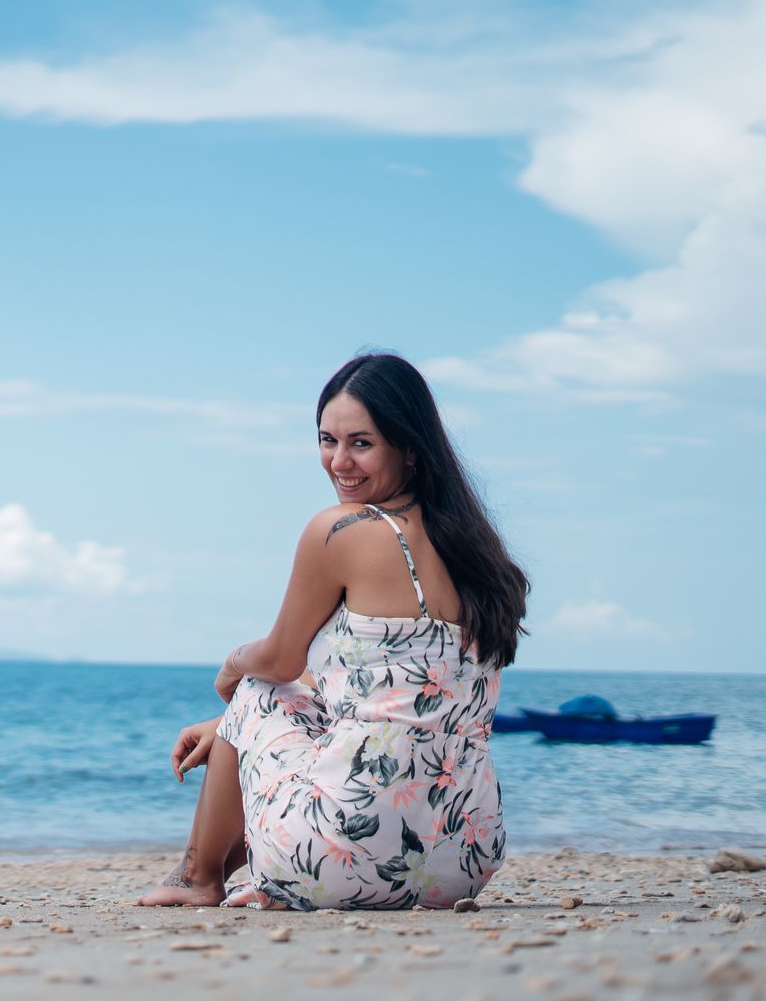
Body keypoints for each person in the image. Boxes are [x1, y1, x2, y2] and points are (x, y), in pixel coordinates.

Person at [139, 353, 530, 911]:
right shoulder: (478, 557)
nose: (339, 462)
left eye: (361, 443)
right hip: (461, 863)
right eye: (328, 440)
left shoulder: (343, 530)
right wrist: (225, 725)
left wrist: (232, 667)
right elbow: (376, 689)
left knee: (254, 688)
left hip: (347, 857)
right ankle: (239, 863)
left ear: (410, 448)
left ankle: (198, 876)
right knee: (266, 703)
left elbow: (275, 662)